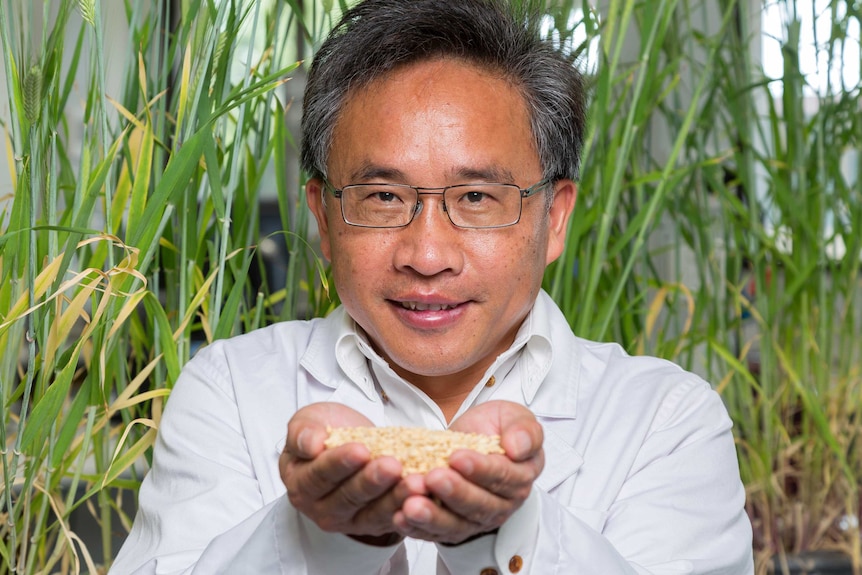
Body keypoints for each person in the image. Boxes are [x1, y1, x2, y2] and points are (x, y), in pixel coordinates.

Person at [110, 0, 754, 573]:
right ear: (324, 216)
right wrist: (324, 538)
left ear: (552, 219)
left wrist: (505, 535)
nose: (427, 255)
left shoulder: (663, 422)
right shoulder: (228, 392)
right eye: (383, 196)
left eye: (476, 197)